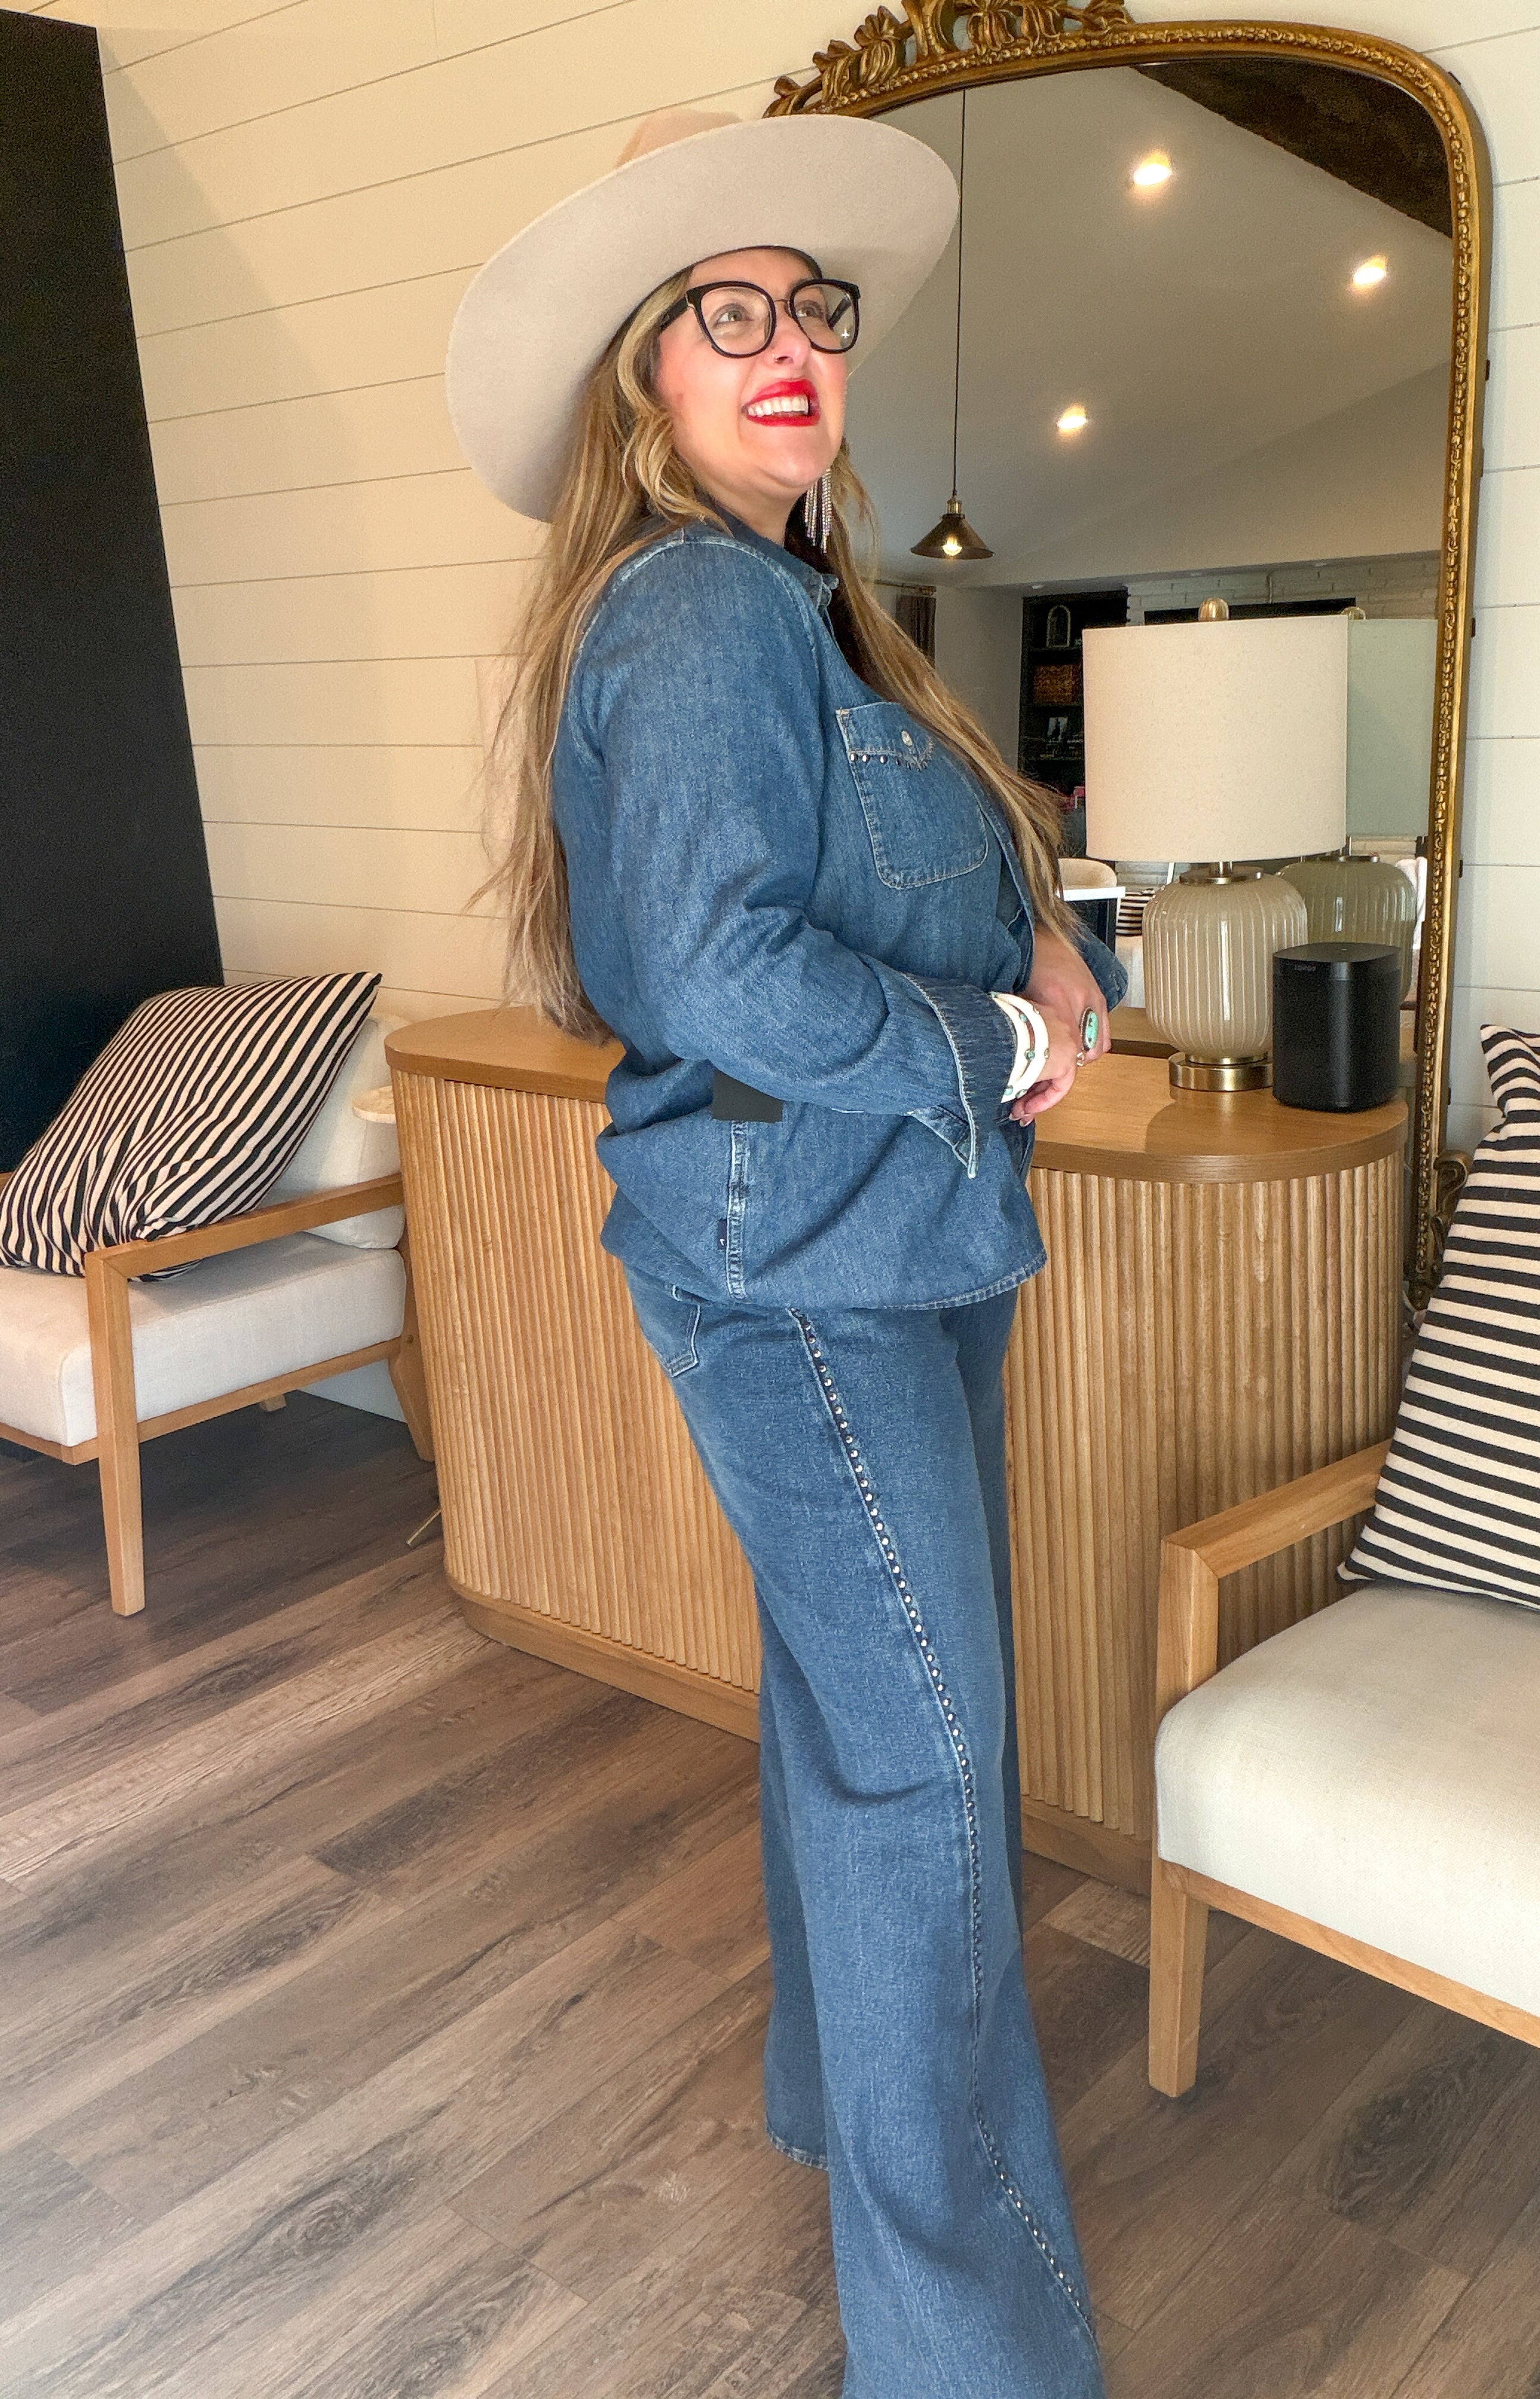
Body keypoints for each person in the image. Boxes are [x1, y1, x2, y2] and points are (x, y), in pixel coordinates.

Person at [447, 105, 1127, 2399]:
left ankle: (843, 2111)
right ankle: (970, 2358)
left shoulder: (817, 611)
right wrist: (996, 1033)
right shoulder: (699, 605)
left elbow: (907, 880)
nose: (787, 341)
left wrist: (1045, 939)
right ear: (647, 371)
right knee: (927, 1776)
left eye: (810, 306)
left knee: (871, 1731)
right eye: (723, 311)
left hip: (890, 1235)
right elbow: (723, 967)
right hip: (805, 1258)